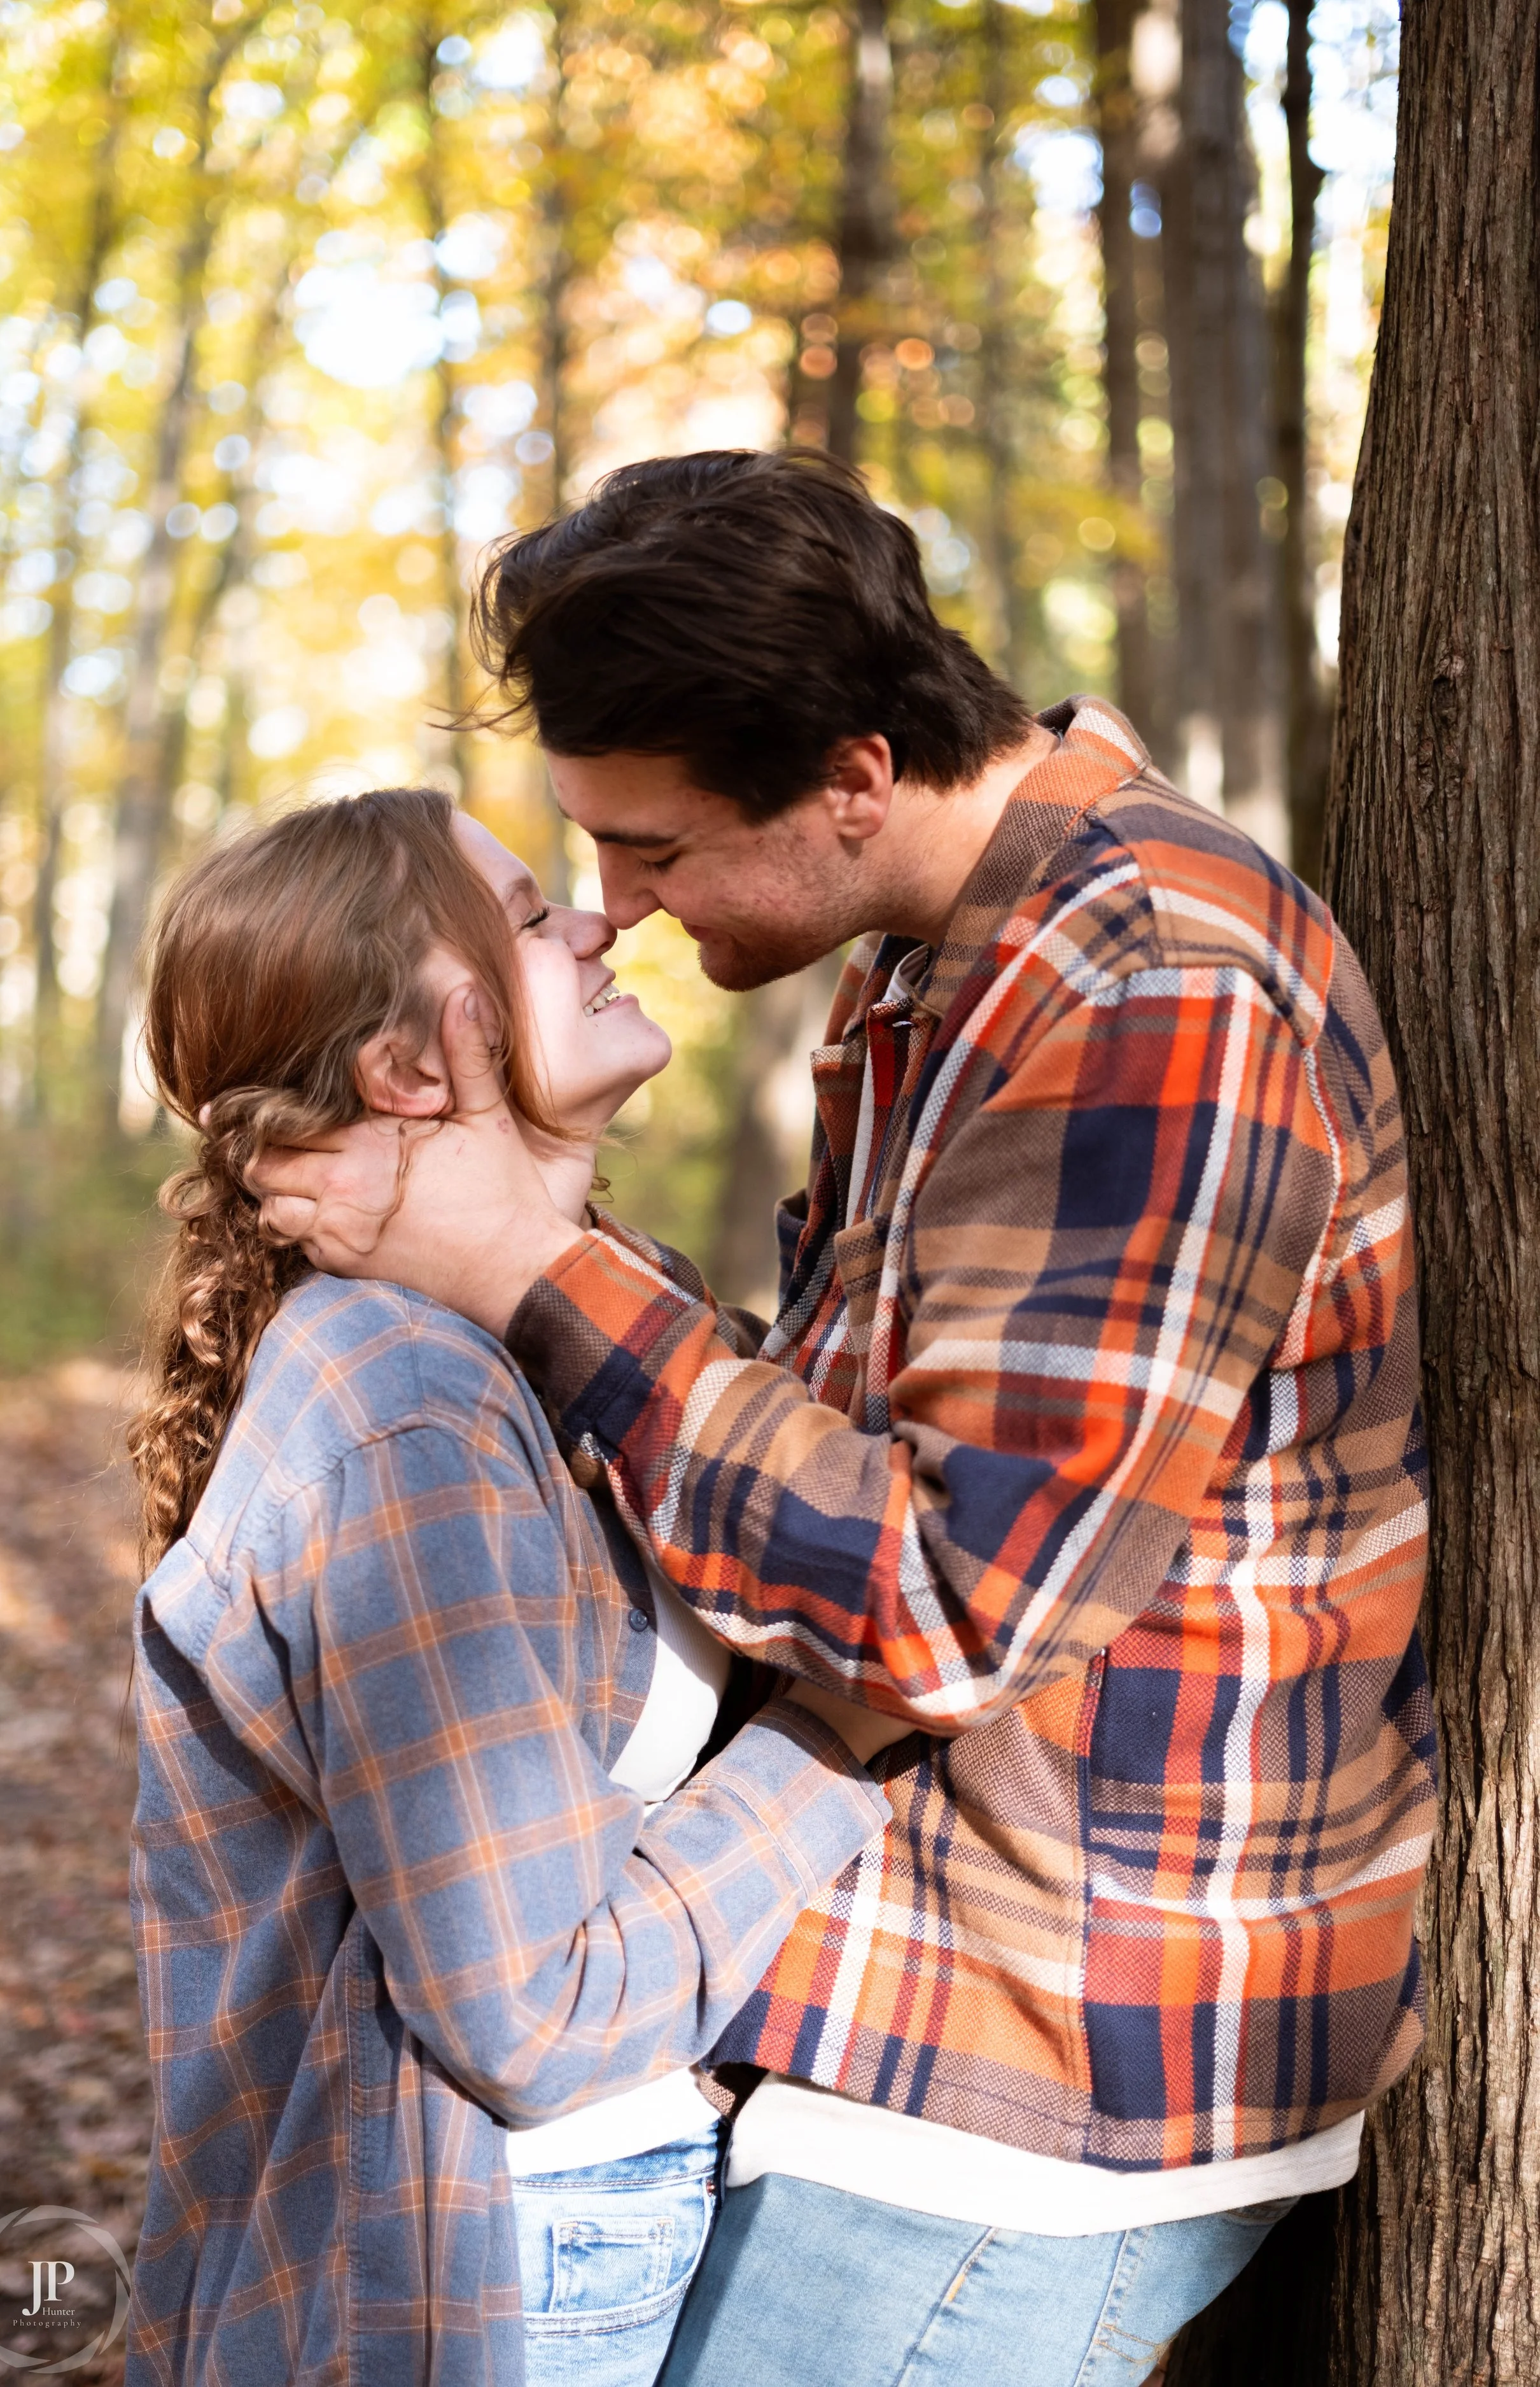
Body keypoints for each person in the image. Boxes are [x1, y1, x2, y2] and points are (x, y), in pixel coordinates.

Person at [253, 449, 1436, 2387]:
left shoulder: (1152, 984)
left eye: (652, 849)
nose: (620, 909)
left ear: (855, 775)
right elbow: (853, 1432)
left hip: (1071, 2025)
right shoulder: (930, 956)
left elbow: (953, 1598)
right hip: (916, 1964)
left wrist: (532, 1271)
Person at [123, 784, 902, 2387]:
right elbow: (524, 2023)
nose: (602, 921)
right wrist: (853, 1735)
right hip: (488, 2253)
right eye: (536, 913)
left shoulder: (596, 1333)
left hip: (597, 2202)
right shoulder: (403, 1399)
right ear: (415, 1066)